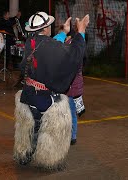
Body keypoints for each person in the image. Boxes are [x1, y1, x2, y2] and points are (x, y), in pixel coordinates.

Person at [14, 11, 89, 169]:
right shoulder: (51, 46)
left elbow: (50, 47)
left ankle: (26, 155)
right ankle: (49, 161)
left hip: (28, 95)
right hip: (46, 99)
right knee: (49, 131)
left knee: (31, 127)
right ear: (46, 28)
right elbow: (72, 54)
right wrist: (81, 32)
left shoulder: (31, 42)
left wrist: (63, 32)